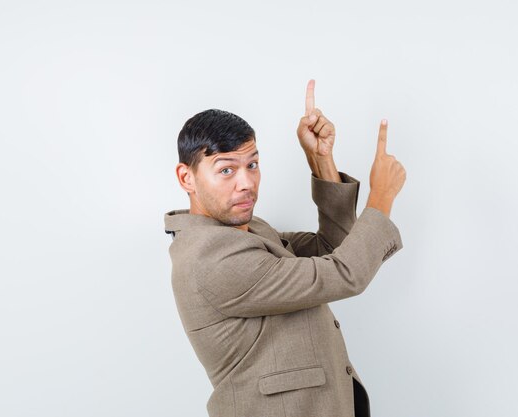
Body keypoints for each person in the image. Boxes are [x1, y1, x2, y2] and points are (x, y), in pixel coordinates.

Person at [163, 80, 406, 417]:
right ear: (186, 177)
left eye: (252, 165)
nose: (246, 182)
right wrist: (381, 197)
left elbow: (330, 248)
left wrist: (321, 161)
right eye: (226, 170)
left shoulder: (245, 232)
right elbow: (343, 273)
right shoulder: (212, 258)